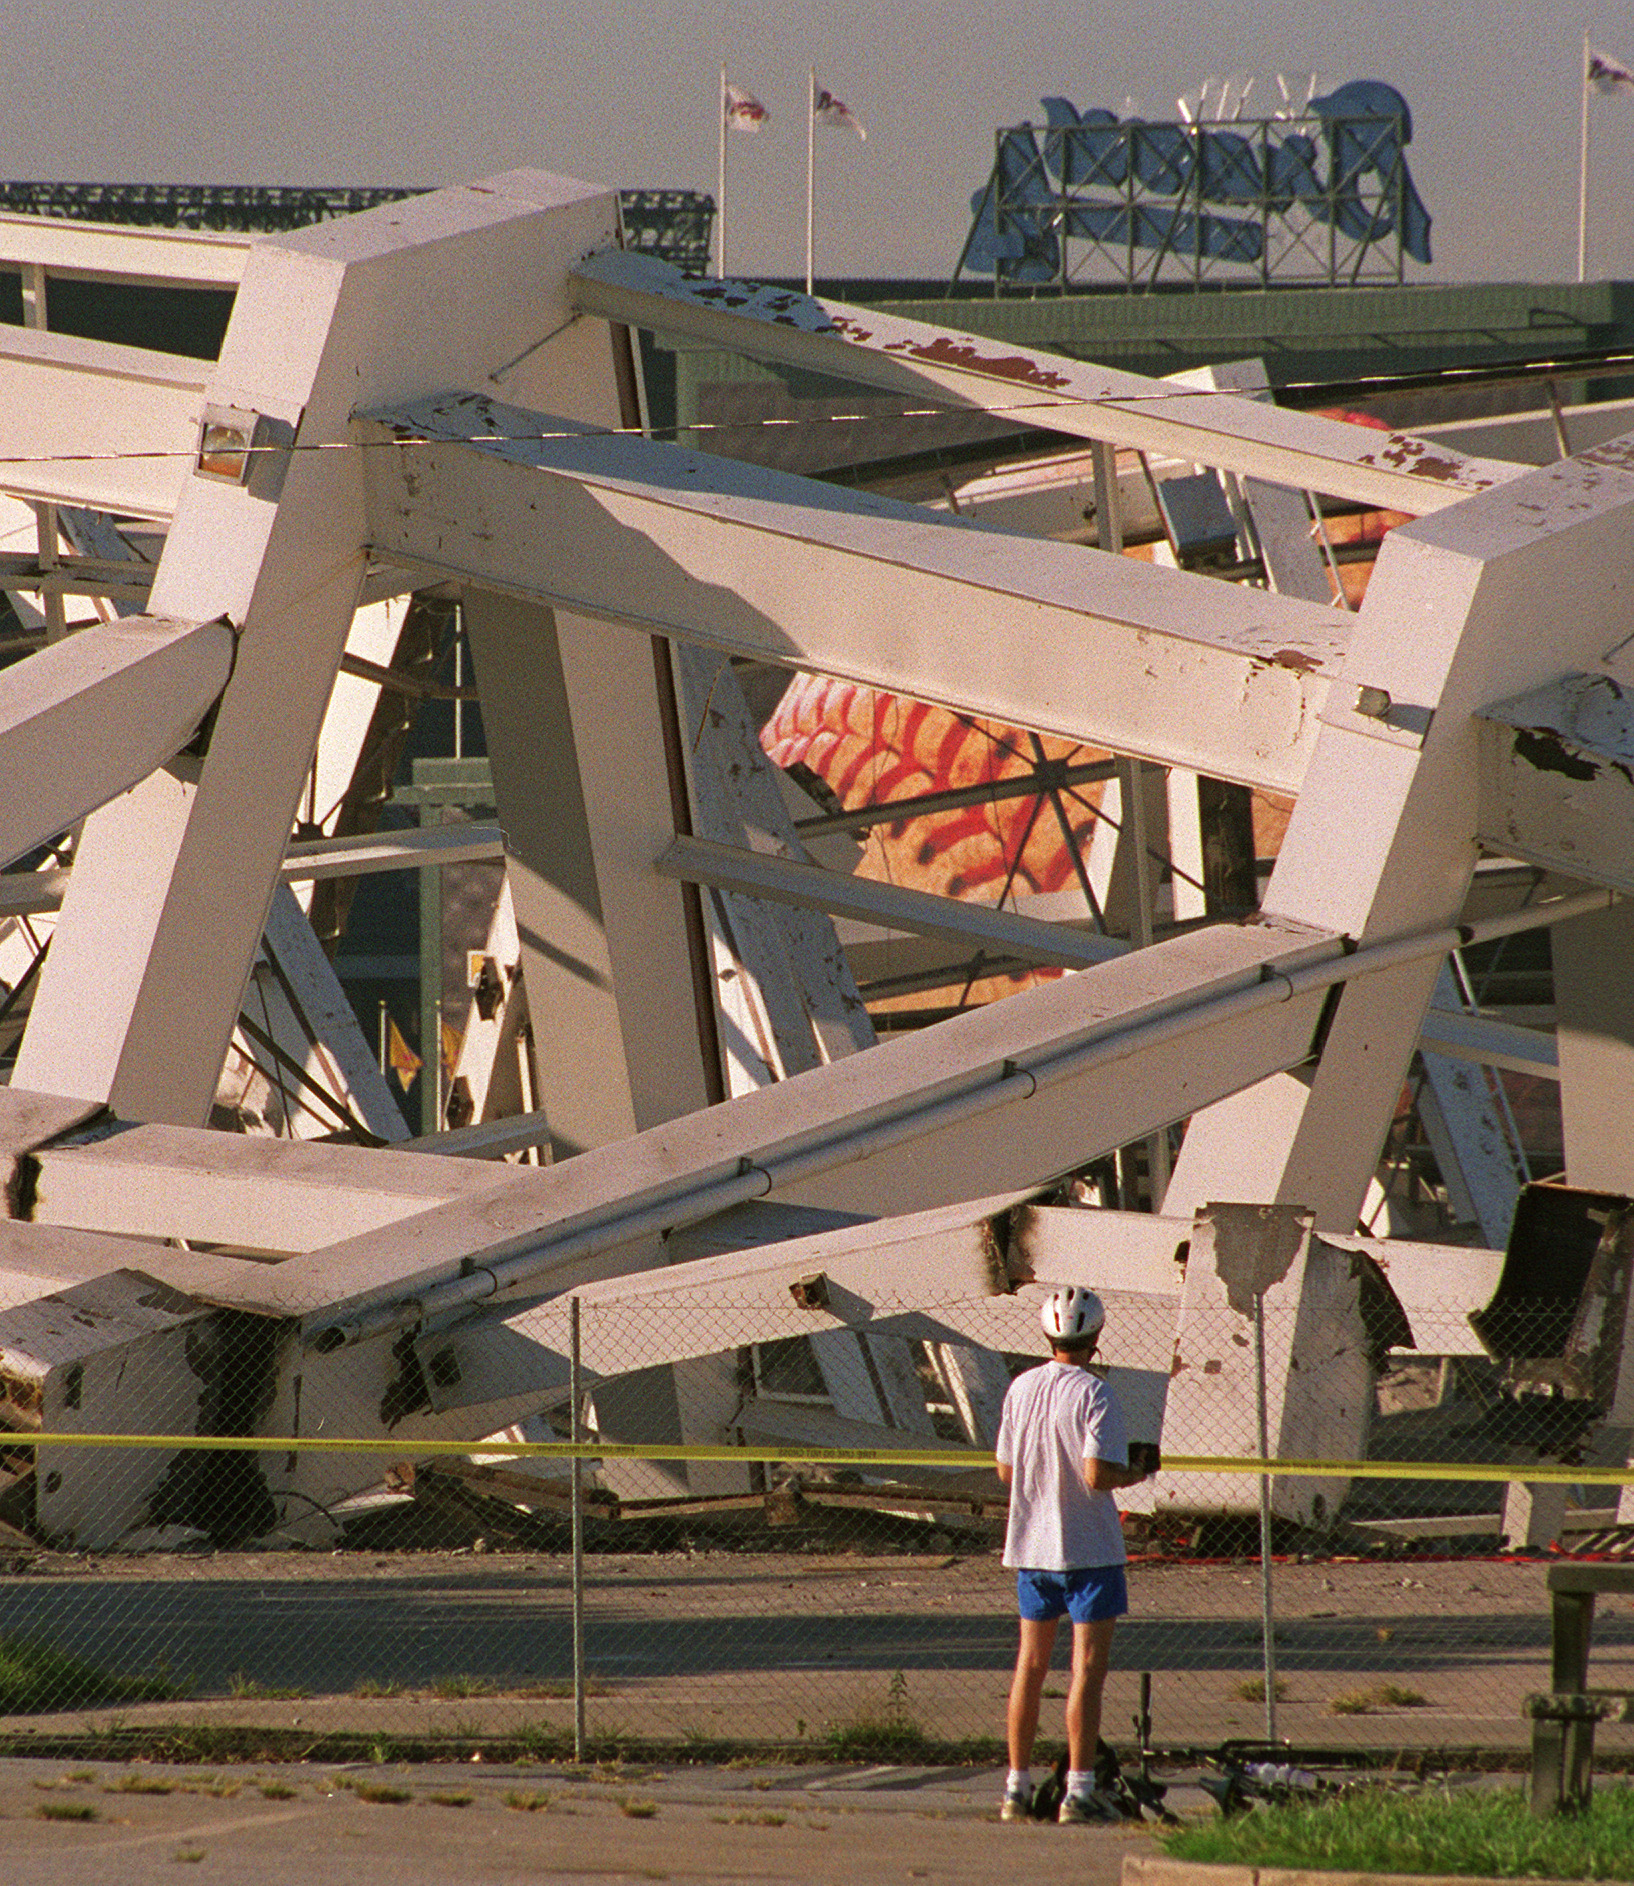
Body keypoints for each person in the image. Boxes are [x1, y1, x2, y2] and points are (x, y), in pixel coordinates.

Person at [995, 1283, 1157, 1824]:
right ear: (1096, 1337)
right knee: (1086, 1670)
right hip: (1089, 1549)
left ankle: (1016, 1788)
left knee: (1030, 1667)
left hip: (1032, 1547)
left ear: (1046, 1334)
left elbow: (1005, 1470)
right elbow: (1096, 1474)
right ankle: (1079, 1789)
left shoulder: (1020, 1389)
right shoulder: (1096, 1393)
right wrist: (1136, 1473)